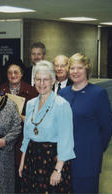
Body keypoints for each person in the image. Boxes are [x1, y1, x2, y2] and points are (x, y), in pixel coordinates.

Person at [59, 53, 112, 193]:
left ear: (87, 70)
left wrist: (95, 149)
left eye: (80, 68)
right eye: (72, 68)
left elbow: (107, 127)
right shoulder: (63, 93)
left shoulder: (98, 93)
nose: (75, 72)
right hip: (64, 160)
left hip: (87, 159)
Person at [19, 60, 75, 193]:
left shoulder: (62, 105)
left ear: (53, 81)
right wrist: (22, 162)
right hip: (31, 159)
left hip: (52, 160)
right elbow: (26, 138)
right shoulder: (31, 104)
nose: (41, 83)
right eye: (38, 79)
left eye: (45, 80)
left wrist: (58, 170)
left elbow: (66, 141)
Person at [0, 59, 38, 193]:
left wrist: (20, 117)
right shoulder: (0, 89)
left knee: (21, 176)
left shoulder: (31, 91)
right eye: (10, 73)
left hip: (23, 140)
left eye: (16, 72)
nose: (13, 75)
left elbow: (36, 119)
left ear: (21, 74)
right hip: (4, 139)